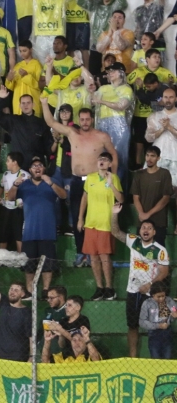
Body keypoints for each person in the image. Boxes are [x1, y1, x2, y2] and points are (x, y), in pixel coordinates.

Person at [41, 100, 118, 270]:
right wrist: (45, 103)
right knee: (77, 219)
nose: (84, 122)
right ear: (78, 120)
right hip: (76, 182)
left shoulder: (101, 136)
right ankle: (81, 252)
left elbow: (113, 154)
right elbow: (50, 122)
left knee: (97, 219)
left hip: (96, 182)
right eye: (82, 119)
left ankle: (96, 254)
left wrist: (113, 177)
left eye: (87, 119)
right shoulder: (72, 133)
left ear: (92, 119)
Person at [111, 203, 169, 358]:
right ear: (140, 231)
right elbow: (115, 232)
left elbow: (164, 271)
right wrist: (114, 213)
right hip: (133, 291)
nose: (146, 230)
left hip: (153, 294)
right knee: (132, 326)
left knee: (156, 327)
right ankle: (133, 358)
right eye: (144, 227)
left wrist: (149, 284)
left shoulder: (160, 250)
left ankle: (156, 359)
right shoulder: (133, 241)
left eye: (150, 228)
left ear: (154, 232)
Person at [7, 156, 67, 297]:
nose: (37, 168)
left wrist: (51, 183)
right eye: (34, 166)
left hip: (47, 231)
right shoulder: (25, 184)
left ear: (44, 168)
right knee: (29, 266)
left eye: (40, 165)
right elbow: (9, 198)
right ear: (30, 170)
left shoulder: (51, 182)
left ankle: (45, 290)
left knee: (47, 264)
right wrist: (15, 185)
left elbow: (64, 196)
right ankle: (29, 291)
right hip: (29, 233)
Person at [78, 152, 123, 301]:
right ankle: (99, 288)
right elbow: (84, 198)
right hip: (91, 223)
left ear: (110, 164)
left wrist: (110, 184)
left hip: (106, 223)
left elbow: (121, 199)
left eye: (105, 160)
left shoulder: (114, 178)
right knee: (93, 257)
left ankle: (110, 288)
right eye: (100, 159)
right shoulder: (90, 178)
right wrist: (80, 218)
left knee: (104, 257)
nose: (102, 161)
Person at [76, 0, 128, 75]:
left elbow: (124, 3)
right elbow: (80, 2)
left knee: (110, 71)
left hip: (111, 44)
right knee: (94, 71)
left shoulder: (116, 4)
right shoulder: (95, 3)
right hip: (96, 43)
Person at [0, 87, 53, 170]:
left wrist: (50, 164)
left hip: (36, 166)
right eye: (23, 103)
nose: (26, 105)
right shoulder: (13, 120)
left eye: (28, 103)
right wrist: (1, 99)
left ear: (33, 104)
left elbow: (48, 146)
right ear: (19, 105)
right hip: (19, 166)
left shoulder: (41, 123)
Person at [0, 259, 33, 362]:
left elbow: (31, 336)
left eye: (16, 290)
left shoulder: (27, 312)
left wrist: (31, 356)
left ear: (22, 294)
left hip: (18, 357)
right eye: (11, 289)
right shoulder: (4, 303)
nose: (12, 292)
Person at [131, 146, 173, 246]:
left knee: (158, 254)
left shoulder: (164, 173)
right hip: (142, 222)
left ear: (158, 158)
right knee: (141, 254)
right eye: (147, 155)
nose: (149, 158)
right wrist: (141, 213)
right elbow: (135, 197)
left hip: (158, 221)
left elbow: (166, 198)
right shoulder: (139, 174)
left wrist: (148, 214)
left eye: (153, 156)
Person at [0, 152, 28, 252]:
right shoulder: (5, 174)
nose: (6, 163)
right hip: (6, 208)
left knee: (19, 234)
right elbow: (1, 186)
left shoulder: (25, 175)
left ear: (15, 162)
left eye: (8, 161)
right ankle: (0, 259)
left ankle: (21, 259)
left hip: (19, 209)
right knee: (3, 233)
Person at [139, 281, 177, 359]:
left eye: (163, 296)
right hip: (154, 333)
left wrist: (175, 315)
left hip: (167, 332)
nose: (161, 298)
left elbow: (174, 312)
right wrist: (158, 326)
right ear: (153, 295)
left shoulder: (169, 301)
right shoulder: (147, 304)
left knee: (167, 357)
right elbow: (142, 322)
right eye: (158, 296)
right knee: (155, 358)